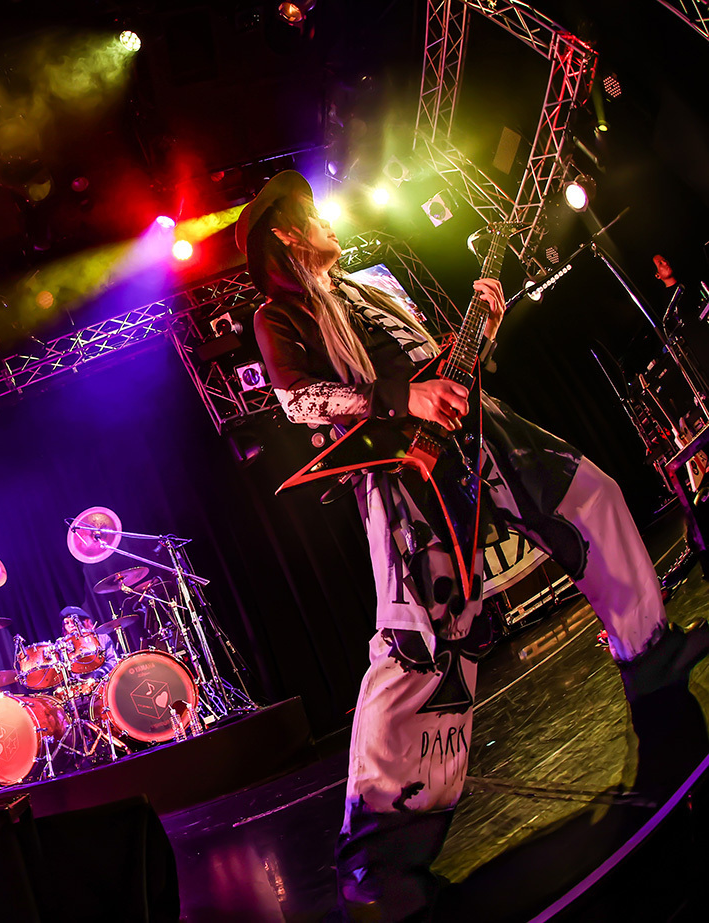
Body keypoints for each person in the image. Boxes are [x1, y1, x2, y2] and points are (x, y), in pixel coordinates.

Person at [238, 171, 709, 921]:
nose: (327, 220)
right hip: (404, 471)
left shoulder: (371, 284)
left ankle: (651, 656)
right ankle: (379, 856)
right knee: (423, 641)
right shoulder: (280, 315)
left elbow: (439, 367)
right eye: (312, 215)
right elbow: (301, 400)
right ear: (287, 234)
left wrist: (477, 330)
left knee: (590, 499)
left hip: (478, 430)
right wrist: (404, 398)